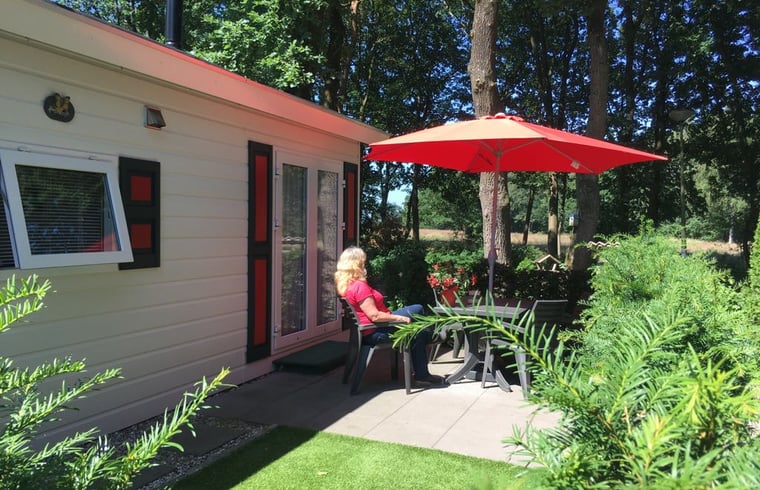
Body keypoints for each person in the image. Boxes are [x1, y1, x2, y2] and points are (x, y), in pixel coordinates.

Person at [334, 246, 446, 387]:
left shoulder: (347, 285)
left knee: (418, 320)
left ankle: (424, 369)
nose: (365, 265)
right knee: (419, 318)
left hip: (371, 329)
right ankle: (431, 340)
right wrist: (400, 318)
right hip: (377, 330)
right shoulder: (359, 286)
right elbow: (374, 316)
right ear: (357, 264)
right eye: (363, 262)